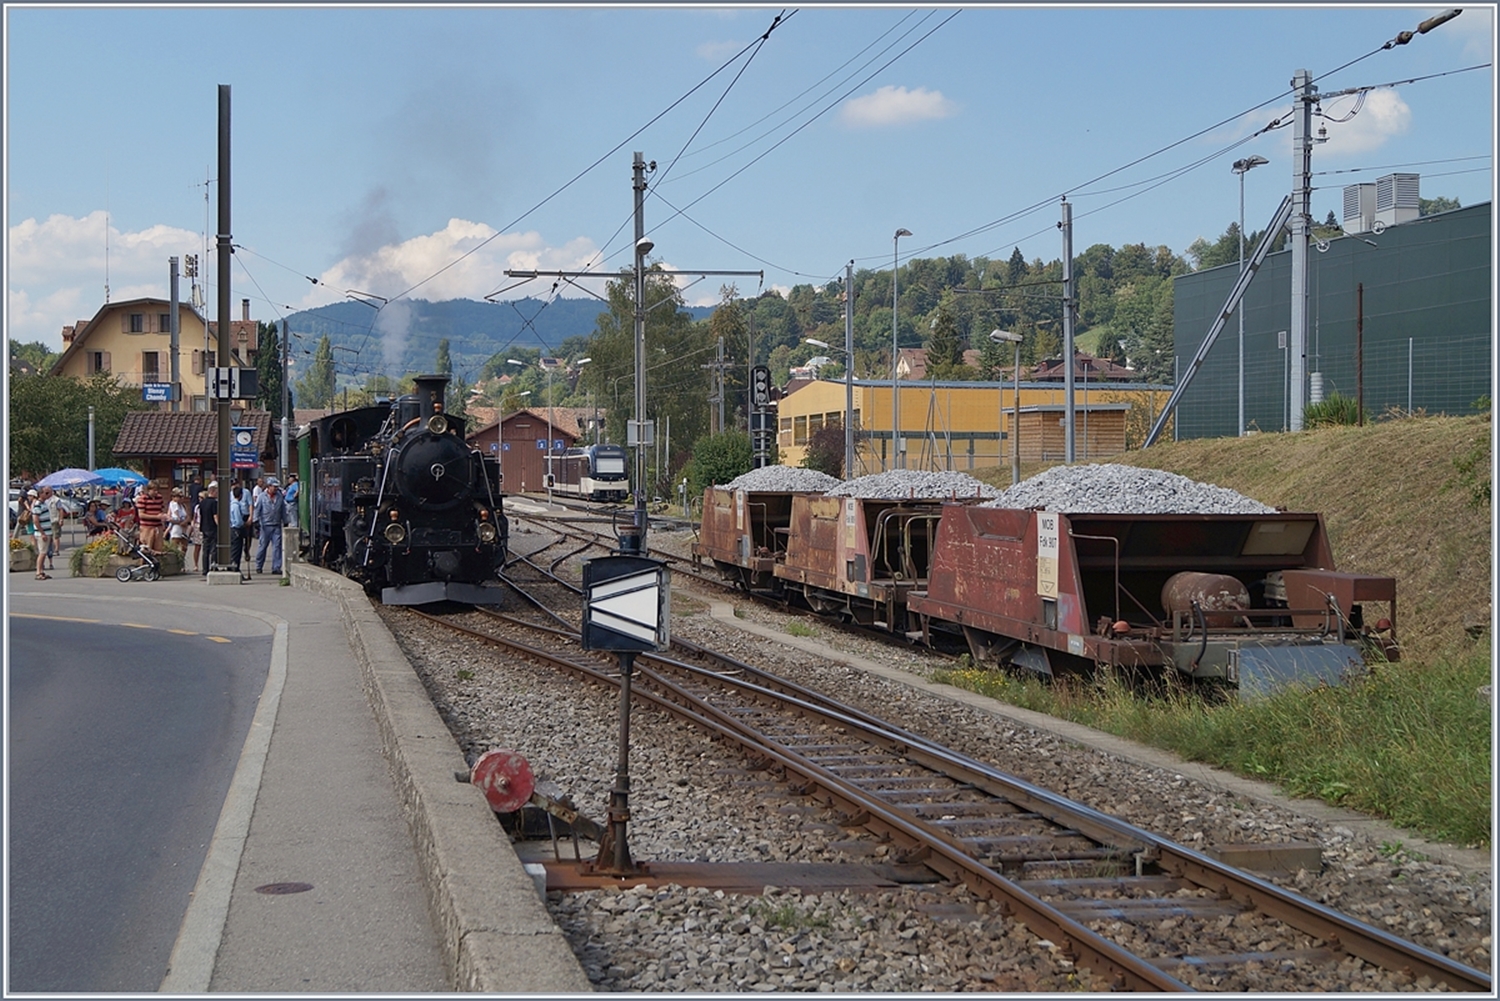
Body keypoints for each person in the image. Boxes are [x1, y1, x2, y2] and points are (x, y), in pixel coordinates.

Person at [252, 477, 289, 574]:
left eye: (277, 487)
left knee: (277, 547)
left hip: (276, 525)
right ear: (269, 486)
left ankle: (276, 567)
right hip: (265, 526)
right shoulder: (261, 496)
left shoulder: (279, 496)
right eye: (274, 487)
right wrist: (255, 521)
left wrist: (285, 520)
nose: (276, 489)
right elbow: (257, 509)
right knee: (262, 546)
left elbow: (283, 510)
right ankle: (259, 565)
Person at [227, 481, 252, 579]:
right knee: (236, 551)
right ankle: (235, 568)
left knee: (237, 550)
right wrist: (244, 523)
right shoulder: (236, 506)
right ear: (241, 495)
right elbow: (238, 521)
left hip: (234, 528)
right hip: (237, 529)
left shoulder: (232, 505)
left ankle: (235, 568)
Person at [197, 481, 219, 577]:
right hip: (212, 528)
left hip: (204, 527)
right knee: (214, 549)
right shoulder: (214, 503)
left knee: (205, 549)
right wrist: (219, 526)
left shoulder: (202, 503)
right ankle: (213, 566)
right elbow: (215, 516)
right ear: (213, 492)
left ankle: (204, 569)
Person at [136, 481, 165, 553]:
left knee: (158, 549)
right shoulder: (143, 499)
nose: (156, 492)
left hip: (158, 526)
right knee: (146, 549)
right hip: (147, 527)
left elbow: (160, 510)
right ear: (149, 490)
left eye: (157, 490)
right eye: (154, 490)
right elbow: (141, 515)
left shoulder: (159, 497)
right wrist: (156, 517)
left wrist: (163, 516)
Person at [29, 488, 52, 578]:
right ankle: (38, 572)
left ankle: (41, 571)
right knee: (42, 553)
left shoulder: (43, 504)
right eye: (46, 493)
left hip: (47, 531)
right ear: (41, 494)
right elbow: (35, 520)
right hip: (42, 533)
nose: (47, 495)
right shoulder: (38, 505)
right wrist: (42, 533)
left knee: (44, 552)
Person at [167, 487, 192, 563]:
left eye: (182, 497)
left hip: (184, 526)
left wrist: (185, 521)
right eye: (179, 497)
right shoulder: (173, 504)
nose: (181, 498)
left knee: (184, 546)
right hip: (176, 527)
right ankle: (174, 562)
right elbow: (172, 517)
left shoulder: (183, 505)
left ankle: (181, 562)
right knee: (175, 544)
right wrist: (180, 522)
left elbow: (188, 516)